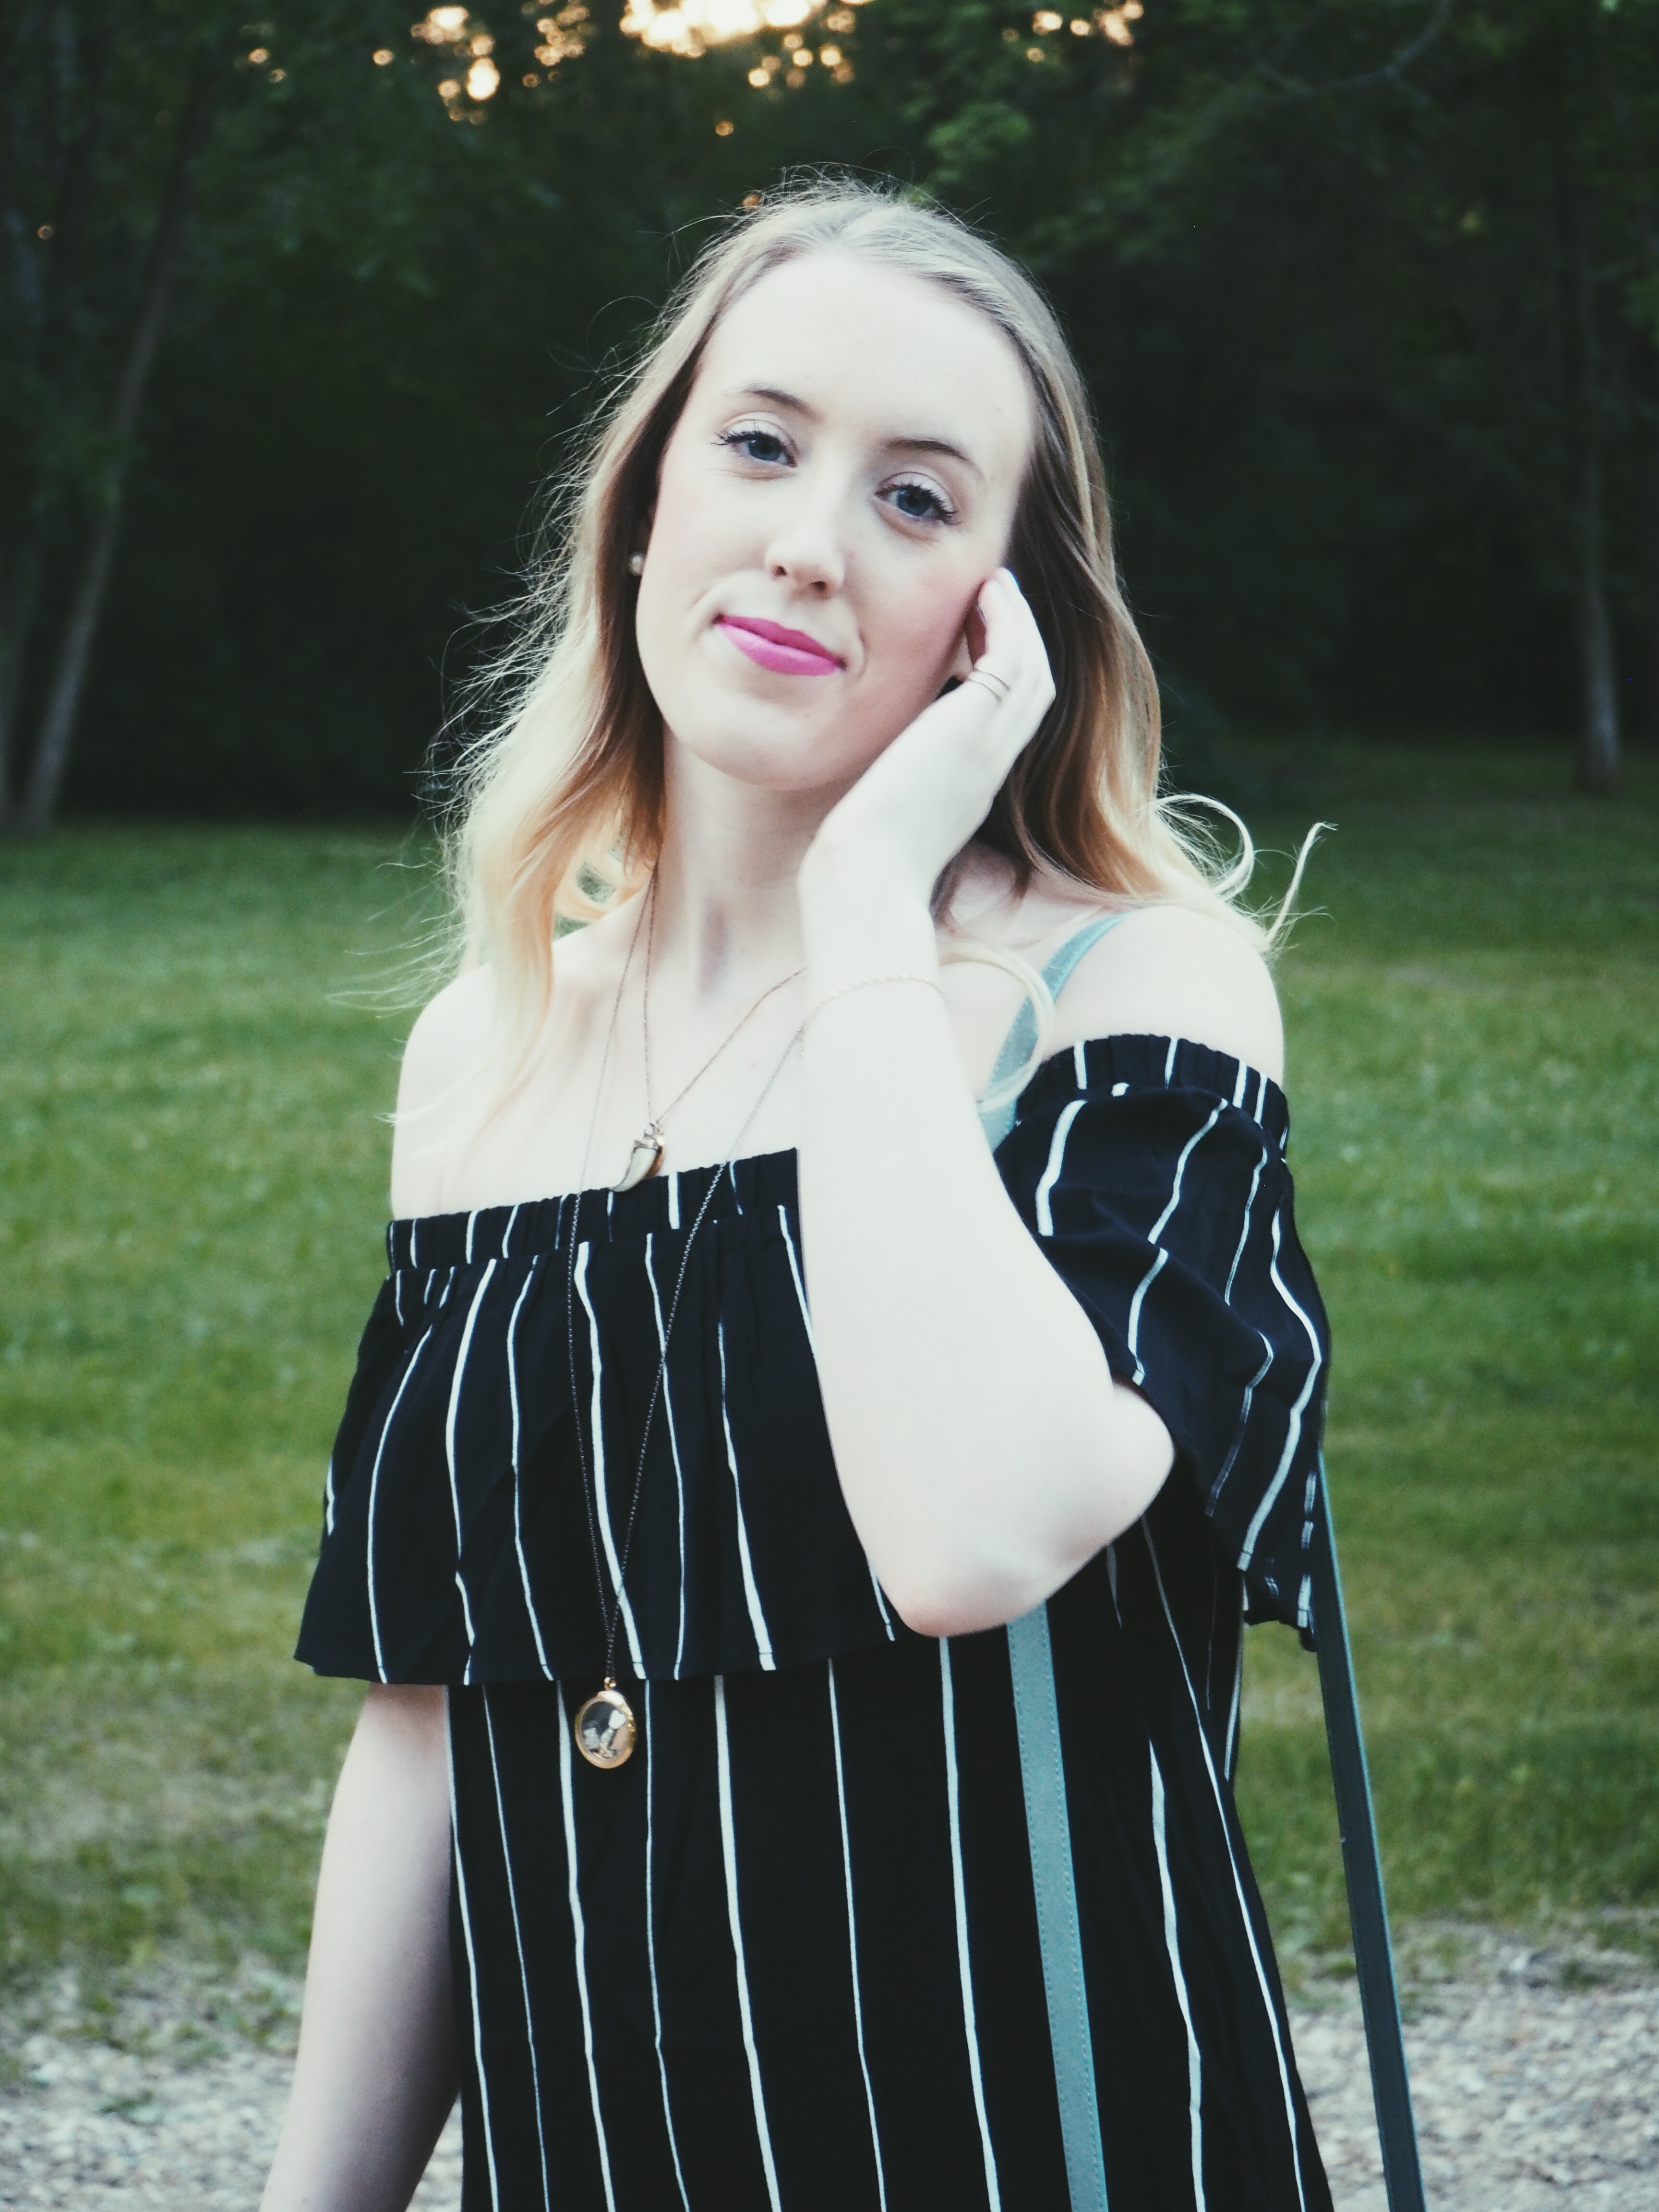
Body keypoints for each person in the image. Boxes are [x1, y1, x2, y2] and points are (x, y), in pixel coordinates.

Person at [262, 180, 1334, 2212]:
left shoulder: (1125, 996)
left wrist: (865, 918)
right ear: (647, 499)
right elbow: (429, 1735)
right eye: (760, 445)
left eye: (918, 501)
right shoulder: (481, 1069)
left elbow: (965, 1537)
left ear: (1002, 622)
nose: (809, 542)